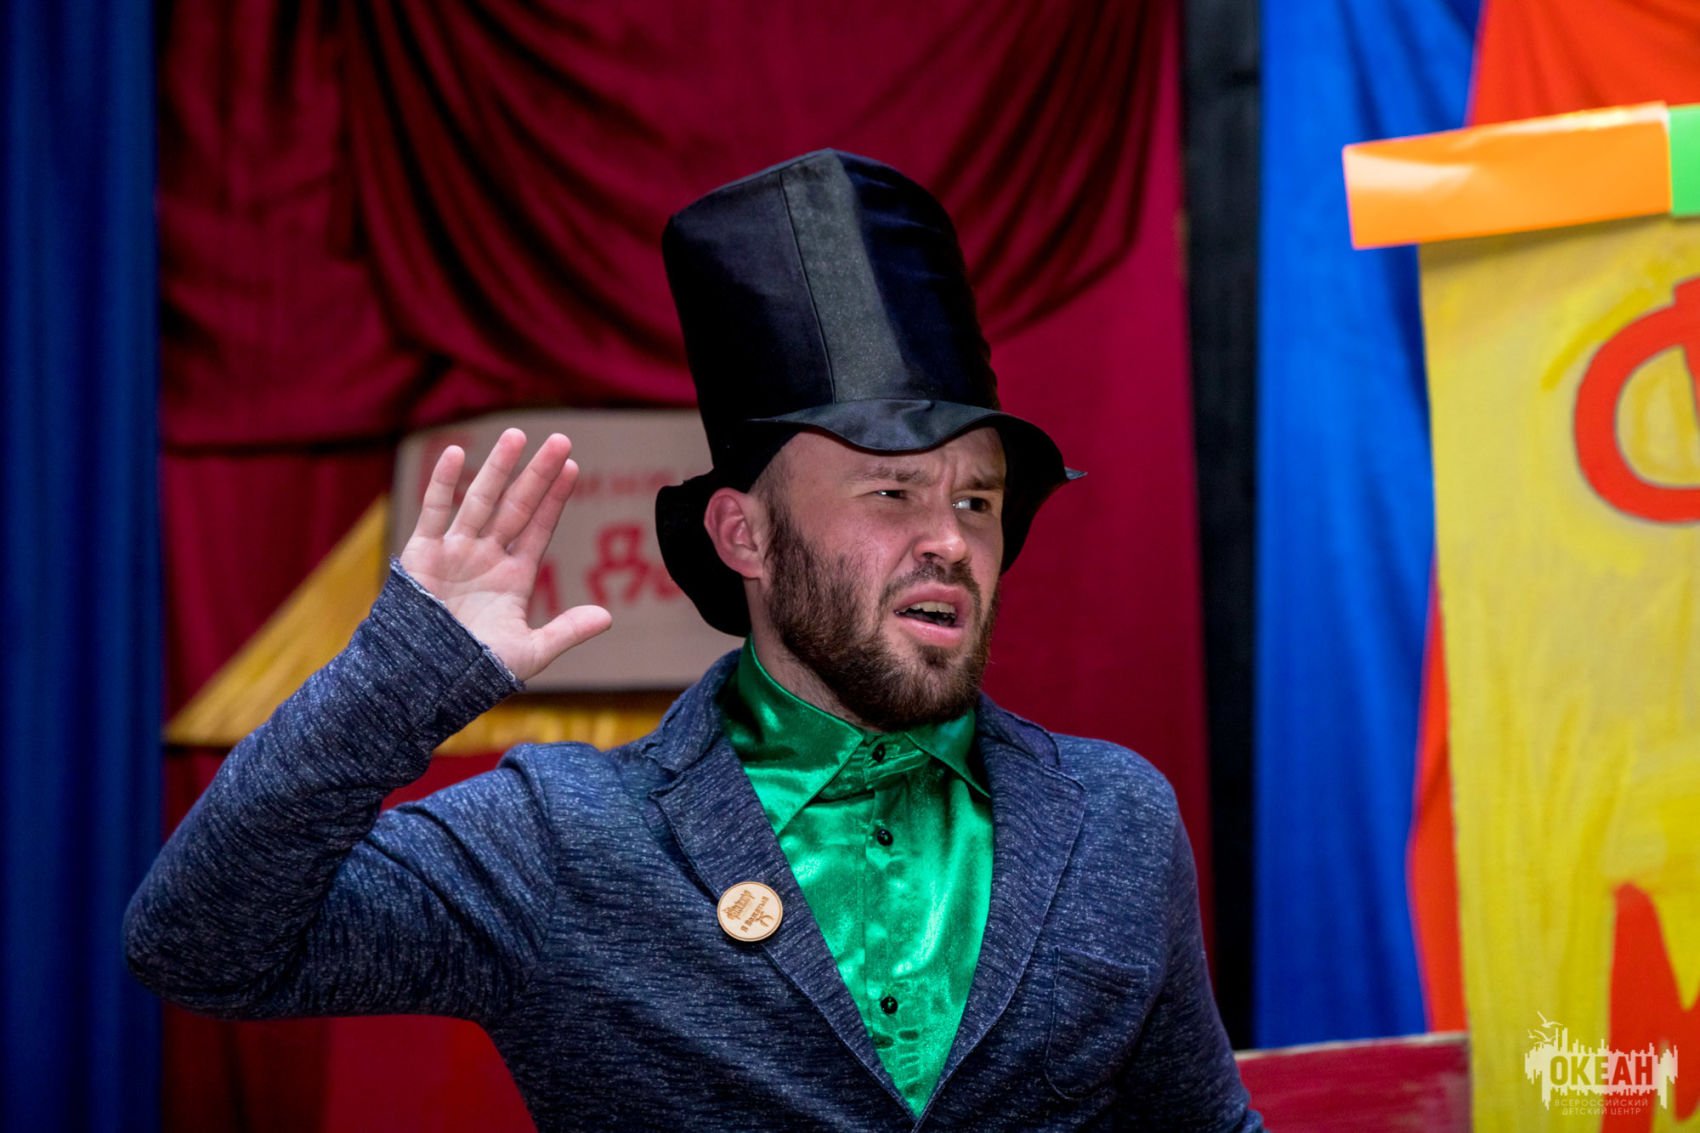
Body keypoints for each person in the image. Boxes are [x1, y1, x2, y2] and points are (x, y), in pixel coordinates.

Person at [127, 150, 1260, 1131]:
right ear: (743, 534)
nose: (950, 540)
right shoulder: (564, 839)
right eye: (891, 491)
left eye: (976, 499)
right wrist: (401, 674)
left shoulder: (1115, 817)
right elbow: (199, 943)